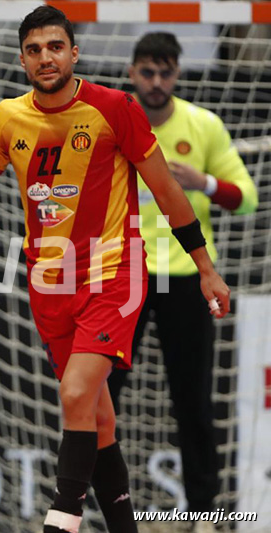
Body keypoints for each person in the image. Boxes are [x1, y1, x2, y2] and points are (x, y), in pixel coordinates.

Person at [0, 6, 230, 533]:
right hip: (49, 287)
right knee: (97, 420)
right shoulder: (8, 118)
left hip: (113, 276)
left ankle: (61, 518)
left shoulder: (115, 107)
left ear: (75, 52)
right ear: (22, 59)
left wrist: (205, 268)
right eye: (34, 49)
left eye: (55, 47)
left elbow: (165, 191)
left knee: (75, 395)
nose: (45, 57)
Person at [107, 32, 258, 532]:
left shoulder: (203, 125)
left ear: (177, 73)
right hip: (122, 275)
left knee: (192, 399)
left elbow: (247, 198)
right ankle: (92, 507)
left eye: (165, 72)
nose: (155, 82)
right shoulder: (108, 122)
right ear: (132, 72)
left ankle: (204, 515)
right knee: (99, 396)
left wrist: (203, 182)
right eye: (147, 72)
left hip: (186, 277)